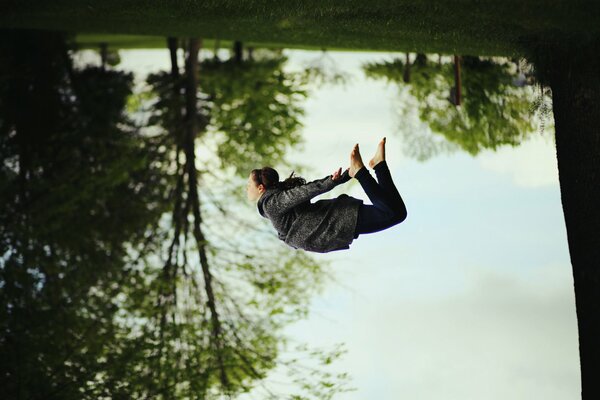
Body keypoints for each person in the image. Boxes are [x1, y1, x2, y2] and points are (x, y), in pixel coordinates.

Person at [247, 137, 407, 253]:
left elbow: (302, 192)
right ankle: (378, 165)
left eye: (249, 185)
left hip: (332, 224)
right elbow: (302, 193)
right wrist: (339, 178)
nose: (247, 189)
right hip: (329, 225)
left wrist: (334, 180)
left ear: (261, 188)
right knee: (396, 213)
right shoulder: (275, 200)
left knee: (393, 214)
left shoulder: (270, 205)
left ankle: (365, 170)